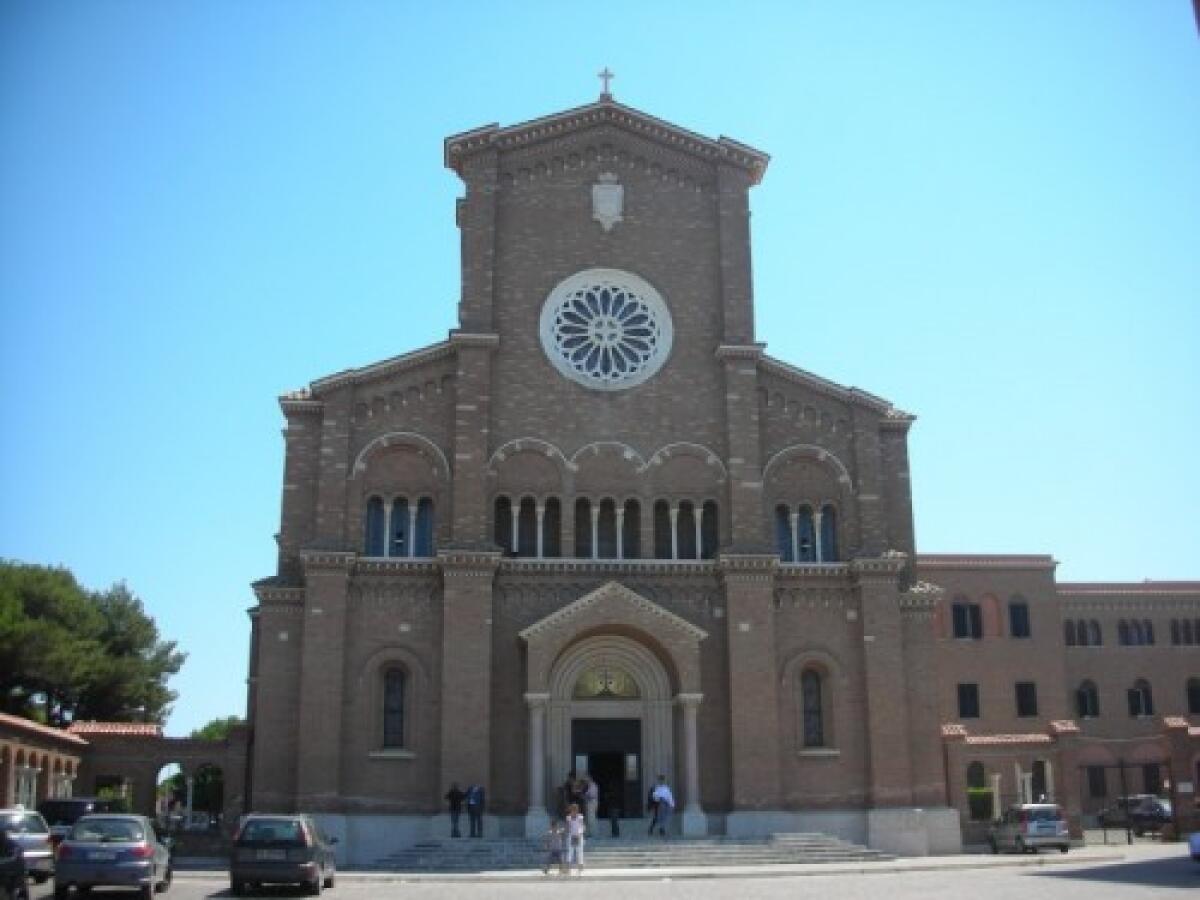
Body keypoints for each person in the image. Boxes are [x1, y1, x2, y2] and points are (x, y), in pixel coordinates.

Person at [0, 826, 28, 900]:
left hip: (13, 871)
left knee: (19, 886)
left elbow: (19, 851)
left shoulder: (11, 844)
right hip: (7, 872)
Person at [564, 803, 586, 875]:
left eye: (575, 809)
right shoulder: (568, 818)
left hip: (579, 836)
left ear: (577, 810)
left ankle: (580, 869)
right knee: (570, 852)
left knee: (579, 852)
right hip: (571, 836)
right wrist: (566, 831)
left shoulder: (580, 817)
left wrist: (580, 833)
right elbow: (567, 827)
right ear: (571, 810)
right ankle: (568, 869)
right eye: (573, 809)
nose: (574, 811)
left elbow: (582, 826)